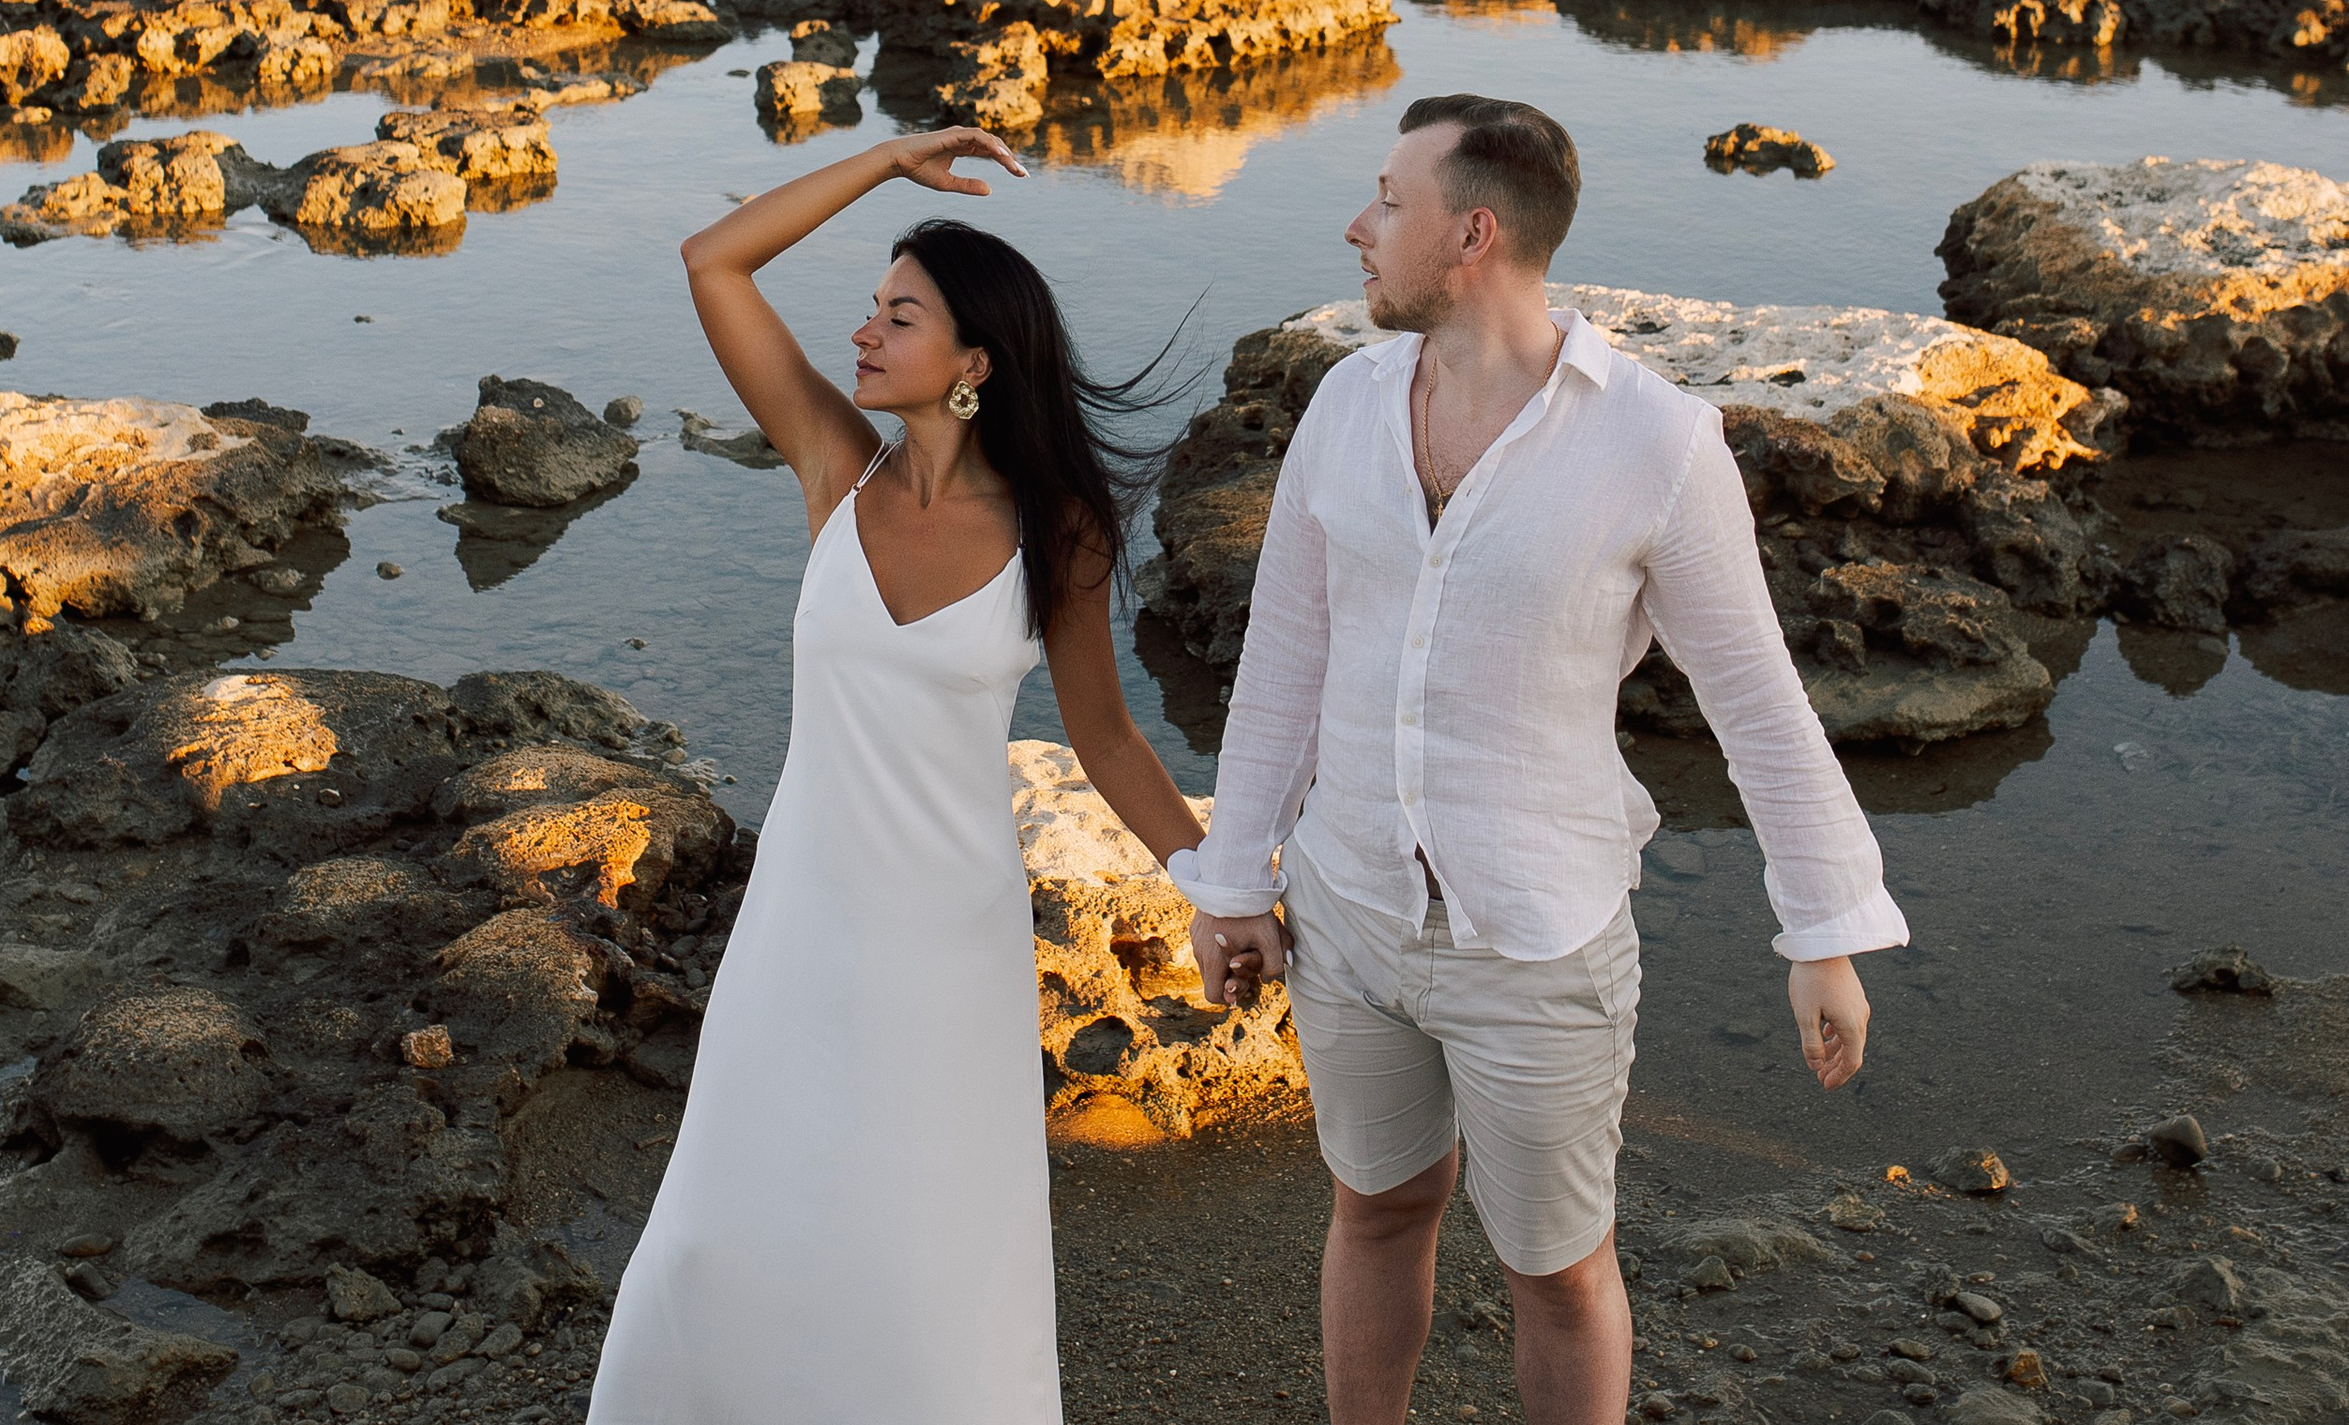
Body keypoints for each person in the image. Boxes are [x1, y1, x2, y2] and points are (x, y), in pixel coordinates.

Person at [1168, 94, 1909, 1425]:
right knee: (1379, 1206)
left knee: (1559, 1272)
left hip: (1540, 943)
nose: (1356, 224)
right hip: (1349, 912)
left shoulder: (1657, 443)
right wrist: (1232, 879)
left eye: (1386, 201)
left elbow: (1755, 701)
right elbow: (1284, 658)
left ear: (1474, 232)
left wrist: (1823, 936)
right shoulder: (1345, 401)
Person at [587, 126, 1208, 1425]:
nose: (864, 333)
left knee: (931, 1250)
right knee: (729, 1223)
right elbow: (713, 262)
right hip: (799, 927)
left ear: (972, 364)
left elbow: (1107, 738)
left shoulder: (1062, 531)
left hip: (949, 943)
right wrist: (885, 163)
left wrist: (1218, 885)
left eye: (900, 315)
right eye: (870, 310)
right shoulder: (835, 468)